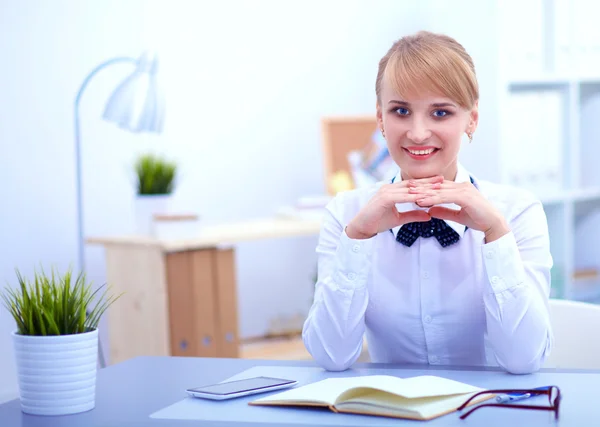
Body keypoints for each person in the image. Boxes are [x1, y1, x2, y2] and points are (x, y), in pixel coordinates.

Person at [302, 31, 553, 374]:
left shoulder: (516, 211)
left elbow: (524, 360)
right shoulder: (347, 213)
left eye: (440, 113)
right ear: (380, 119)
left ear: (472, 119)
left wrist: (496, 235)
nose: (418, 133)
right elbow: (331, 356)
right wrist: (357, 238)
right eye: (401, 110)